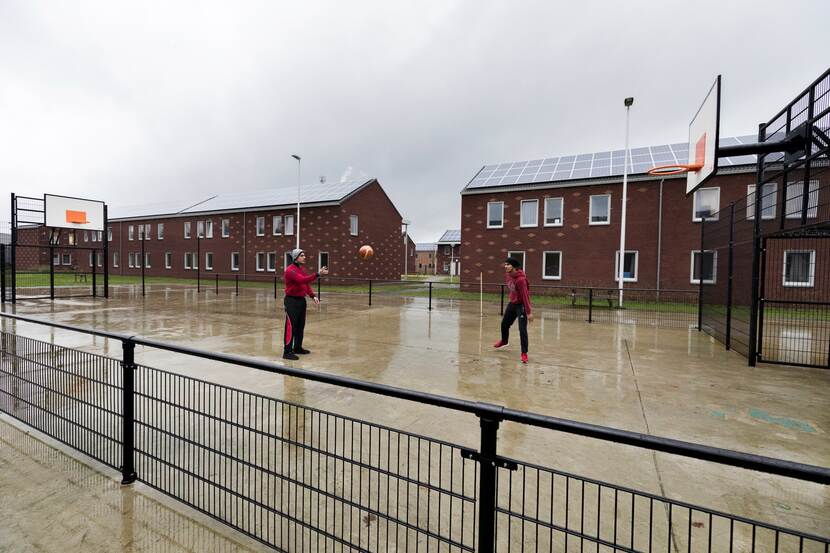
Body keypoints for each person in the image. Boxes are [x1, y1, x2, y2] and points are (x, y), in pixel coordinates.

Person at [283, 248, 328, 360]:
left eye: (304, 255)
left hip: (301, 300)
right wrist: (318, 274)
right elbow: (302, 280)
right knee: (291, 327)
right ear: (295, 258)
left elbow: (306, 284)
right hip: (291, 301)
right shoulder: (290, 270)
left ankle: (297, 348)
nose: (304, 257)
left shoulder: (301, 269)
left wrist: (313, 296)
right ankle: (287, 352)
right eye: (302, 255)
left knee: (300, 326)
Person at [493, 257, 533, 363]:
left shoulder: (521, 280)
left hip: (521, 305)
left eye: (508, 264)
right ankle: (504, 341)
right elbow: (513, 290)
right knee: (504, 324)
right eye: (505, 264)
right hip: (513, 303)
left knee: (522, 329)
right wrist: (512, 298)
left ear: (514, 266)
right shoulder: (508, 275)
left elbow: (525, 295)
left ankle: (524, 353)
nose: (505, 266)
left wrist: (529, 312)